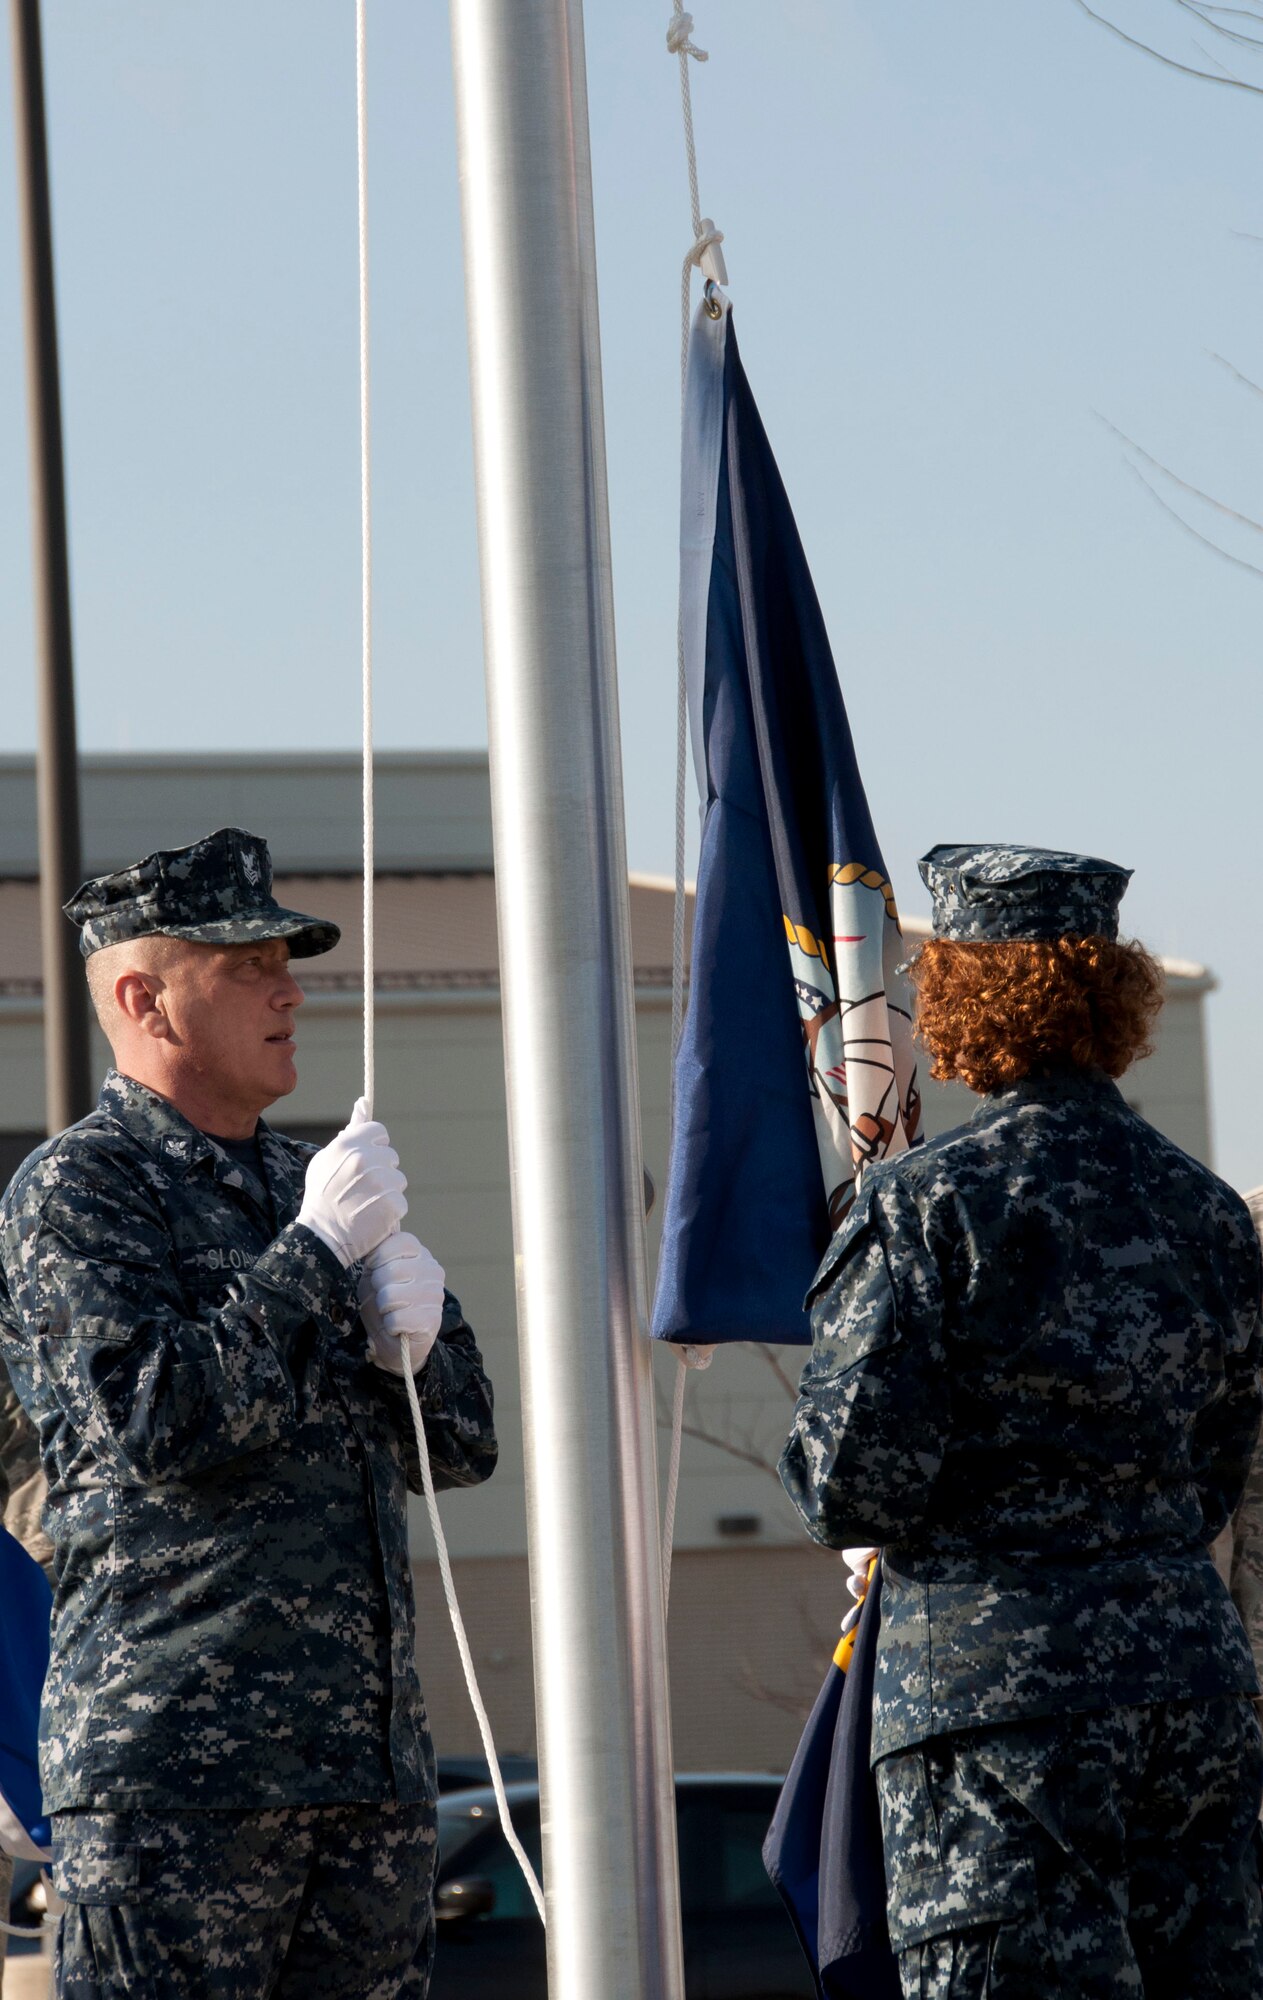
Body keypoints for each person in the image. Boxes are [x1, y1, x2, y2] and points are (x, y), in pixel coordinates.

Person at [0, 826, 497, 2000]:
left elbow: (464, 1444)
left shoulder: (306, 1179)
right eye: (245, 966)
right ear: (146, 1000)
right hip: (176, 1775)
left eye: (289, 960)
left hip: (361, 1774)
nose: (290, 989)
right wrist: (316, 1256)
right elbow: (157, 1420)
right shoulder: (79, 1190)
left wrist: (419, 1349)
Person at [779, 844, 1263, 1999]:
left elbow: (848, 1484)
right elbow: (1215, 1470)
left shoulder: (924, 1206)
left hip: (1001, 1709)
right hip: (1187, 1683)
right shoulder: (1204, 1208)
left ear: (967, 992)